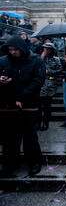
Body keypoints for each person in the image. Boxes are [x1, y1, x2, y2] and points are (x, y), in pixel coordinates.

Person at [0, 35, 46, 177]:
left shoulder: (35, 60)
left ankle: (34, 162)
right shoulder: (3, 61)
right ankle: (10, 163)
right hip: (7, 103)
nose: (12, 52)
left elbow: (38, 81)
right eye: (10, 50)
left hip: (28, 103)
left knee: (29, 135)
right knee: (9, 137)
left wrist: (22, 96)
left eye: (15, 50)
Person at [38, 42, 62, 131]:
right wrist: (42, 56)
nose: (46, 50)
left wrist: (50, 71)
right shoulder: (40, 58)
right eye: (45, 49)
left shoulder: (56, 59)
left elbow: (59, 70)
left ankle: (45, 122)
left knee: (47, 105)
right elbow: (36, 67)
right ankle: (38, 122)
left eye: (48, 49)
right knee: (39, 105)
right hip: (40, 84)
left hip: (50, 84)